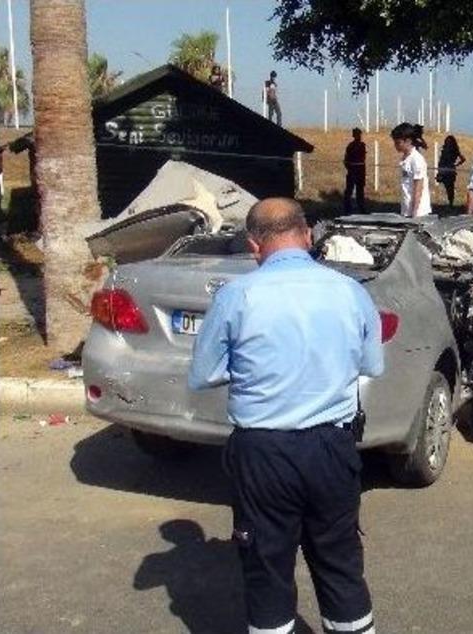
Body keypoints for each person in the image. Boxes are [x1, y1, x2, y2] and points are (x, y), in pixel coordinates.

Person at [188, 198, 383, 634]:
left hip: (263, 452)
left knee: (267, 567)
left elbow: (203, 375)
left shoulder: (237, 295)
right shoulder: (350, 291)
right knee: (340, 562)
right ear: (308, 235)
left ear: (254, 244)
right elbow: (373, 365)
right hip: (333, 447)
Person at [390, 123, 432, 217]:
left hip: (418, 213)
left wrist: (414, 213)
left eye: (398, 143)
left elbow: (418, 187)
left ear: (408, 141)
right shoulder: (406, 158)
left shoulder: (416, 160)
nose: (395, 146)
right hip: (406, 209)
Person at [435, 135, 466, 208]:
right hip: (446, 170)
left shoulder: (452, 150)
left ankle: (450, 203)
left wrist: (456, 164)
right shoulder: (449, 150)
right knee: (449, 187)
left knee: (450, 188)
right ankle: (450, 202)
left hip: (449, 171)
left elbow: (463, 159)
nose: (447, 143)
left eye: (448, 142)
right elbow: (463, 159)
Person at [343, 128, 367, 215]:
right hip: (355, 169)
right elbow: (346, 159)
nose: (359, 136)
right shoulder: (353, 146)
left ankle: (359, 208)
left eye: (359, 134)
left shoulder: (358, 145)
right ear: (354, 135)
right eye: (357, 134)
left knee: (359, 190)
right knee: (351, 190)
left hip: (358, 169)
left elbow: (346, 159)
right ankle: (348, 209)